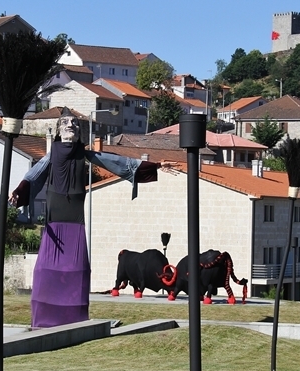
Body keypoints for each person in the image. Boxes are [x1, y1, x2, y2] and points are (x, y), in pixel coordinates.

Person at [10, 109, 176, 328]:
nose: (70, 125)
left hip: (75, 217)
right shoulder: (53, 154)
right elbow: (34, 176)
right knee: (47, 268)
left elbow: (116, 162)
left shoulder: (83, 154)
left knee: (76, 267)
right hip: (55, 217)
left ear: (80, 133)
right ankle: (45, 316)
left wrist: (155, 166)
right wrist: (19, 192)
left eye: (75, 123)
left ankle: (74, 317)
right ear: (58, 131)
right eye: (65, 123)